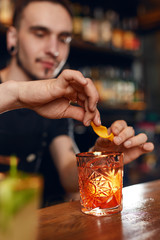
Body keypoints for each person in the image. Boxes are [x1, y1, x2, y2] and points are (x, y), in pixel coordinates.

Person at [0, 0, 154, 205]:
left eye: (63, 39)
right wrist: (16, 94)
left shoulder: (56, 104)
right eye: (40, 34)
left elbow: (69, 178)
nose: (54, 50)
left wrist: (99, 158)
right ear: (13, 37)